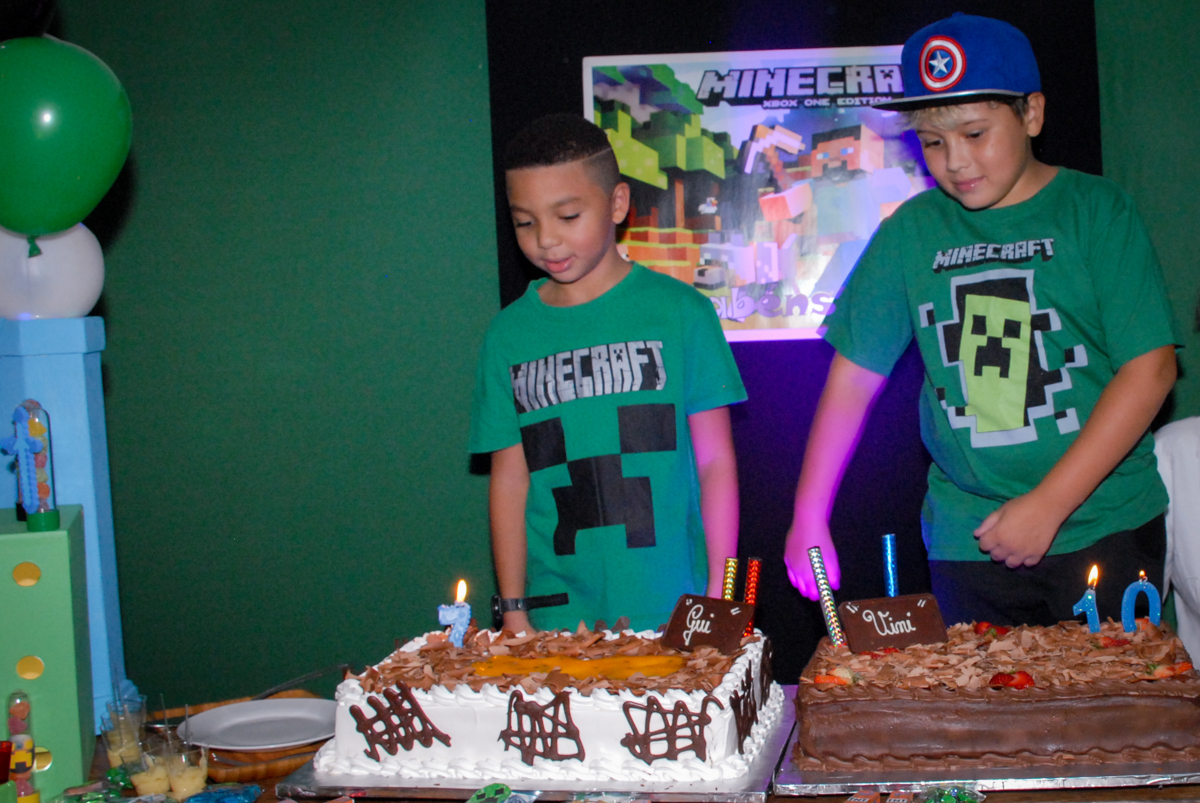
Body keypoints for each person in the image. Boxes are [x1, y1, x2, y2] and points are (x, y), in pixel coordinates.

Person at [783, 13, 1179, 626]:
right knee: (982, 716)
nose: (955, 162)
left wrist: (1048, 504)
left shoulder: (1097, 211)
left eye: (974, 133)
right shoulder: (910, 233)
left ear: (1033, 115)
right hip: (968, 538)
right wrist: (808, 511)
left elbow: (1150, 370)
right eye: (934, 143)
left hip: (1106, 522)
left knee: (1119, 717)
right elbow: (853, 378)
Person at [470, 114, 746, 634]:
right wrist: (513, 611)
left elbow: (715, 463)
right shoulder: (506, 337)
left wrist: (719, 594)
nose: (546, 240)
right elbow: (509, 480)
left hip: (673, 607)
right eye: (525, 222)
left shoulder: (682, 313)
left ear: (618, 204)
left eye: (568, 216)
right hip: (556, 619)